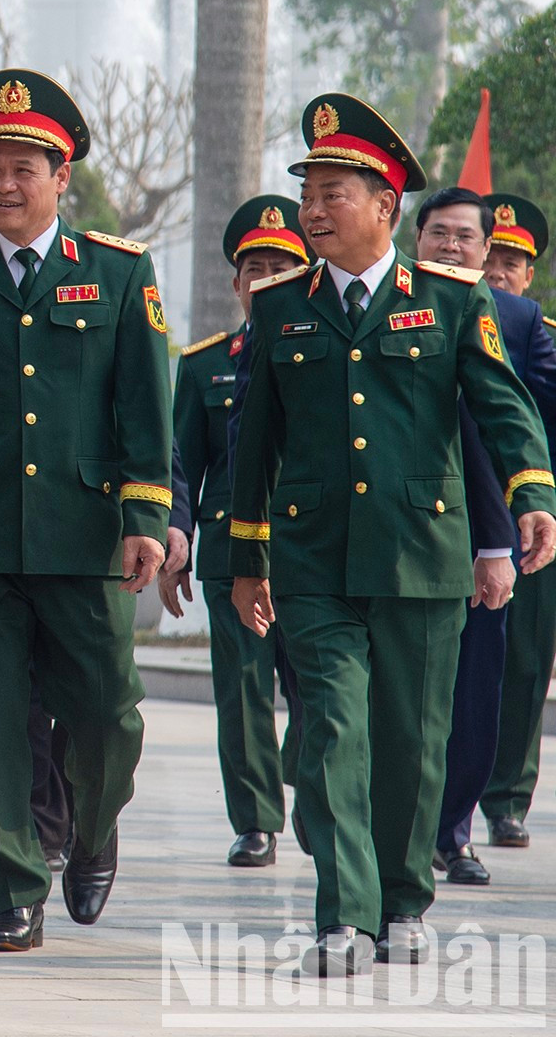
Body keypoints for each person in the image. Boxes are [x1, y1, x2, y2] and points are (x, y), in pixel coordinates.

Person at [227, 94, 556, 976]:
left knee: (413, 742)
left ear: (387, 207)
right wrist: (245, 558)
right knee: (332, 730)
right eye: (309, 194)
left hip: (421, 555)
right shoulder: (278, 307)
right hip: (314, 560)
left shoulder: (451, 301)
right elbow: (250, 444)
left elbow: (502, 406)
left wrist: (532, 494)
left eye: (336, 192)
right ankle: (344, 914)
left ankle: (405, 899)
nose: (316, 210)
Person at [0, 68, 171, 953]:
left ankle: (91, 831)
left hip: (87, 538)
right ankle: (11, 892)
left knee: (108, 716)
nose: (4, 185)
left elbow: (144, 410)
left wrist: (146, 522)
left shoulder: (120, 275)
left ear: (61, 177)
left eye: (24, 168)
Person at [411, 187, 556, 886]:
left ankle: (454, 829)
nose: (453, 247)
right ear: (416, 238)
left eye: (467, 238)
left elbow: (533, 418)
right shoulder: (387, 306)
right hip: (406, 537)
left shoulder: (522, 320)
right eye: (439, 233)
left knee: (477, 692)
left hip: (488, 537)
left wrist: (531, 505)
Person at [159, 197, 308, 867]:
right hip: (227, 551)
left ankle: (310, 780)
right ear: (236, 282)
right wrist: (174, 538)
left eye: (283, 267)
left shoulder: (326, 353)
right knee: (243, 691)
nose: (267, 279)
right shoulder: (204, 365)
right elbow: (181, 465)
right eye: (256, 269)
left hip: (310, 552)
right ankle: (255, 822)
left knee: (318, 687)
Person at [479, 194, 556, 848]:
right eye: (492, 258)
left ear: (528, 275)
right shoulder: (432, 323)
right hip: (453, 523)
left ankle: (505, 799)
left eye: (512, 263)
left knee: (525, 664)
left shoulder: (539, 335)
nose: (499, 273)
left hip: (528, 530)